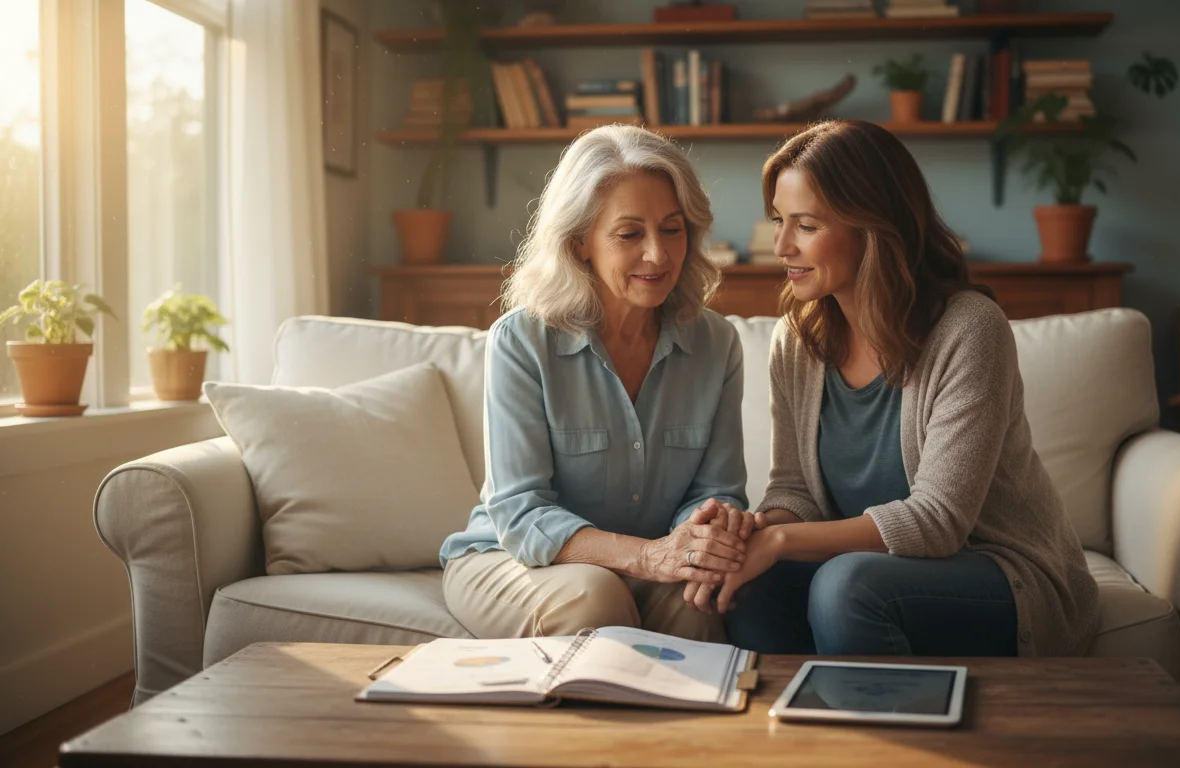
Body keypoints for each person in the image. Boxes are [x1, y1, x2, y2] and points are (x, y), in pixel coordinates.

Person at [685, 120, 1099, 658]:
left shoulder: (970, 329)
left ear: (873, 226)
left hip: (1002, 572)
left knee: (846, 586)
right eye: (778, 222)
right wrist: (751, 534)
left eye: (806, 225)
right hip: (872, 572)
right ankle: (788, 738)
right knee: (748, 583)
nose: (782, 246)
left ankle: (874, 740)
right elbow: (796, 492)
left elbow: (939, 521)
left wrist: (782, 541)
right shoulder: (797, 339)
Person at [440, 125, 753, 642]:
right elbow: (520, 514)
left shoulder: (717, 344)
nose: (658, 254)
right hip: (509, 558)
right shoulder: (522, 342)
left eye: (672, 230)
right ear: (580, 241)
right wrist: (646, 556)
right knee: (596, 594)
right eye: (630, 234)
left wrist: (704, 536)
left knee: (697, 603)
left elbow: (718, 491)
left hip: (650, 563)